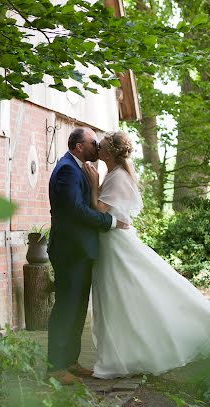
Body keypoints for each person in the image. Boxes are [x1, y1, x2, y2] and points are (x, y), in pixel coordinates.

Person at [82, 131, 210, 379]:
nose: (97, 148)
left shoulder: (117, 176)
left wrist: (92, 183)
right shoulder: (114, 173)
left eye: (101, 145)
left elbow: (98, 208)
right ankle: (123, 355)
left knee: (123, 295)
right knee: (117, 298)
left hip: (115, 246)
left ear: (109, 153)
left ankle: (179, 333)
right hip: (111, 242)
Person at [47, 127, 127, 385]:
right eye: (93, 143)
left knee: (78, 309)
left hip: (81, 251)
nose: (97, 146)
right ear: (79, 146)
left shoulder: (78, 167)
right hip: (70, 251)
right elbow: (75, 211)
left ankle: (70, 361)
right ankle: (54, 368)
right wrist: (111, 222)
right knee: (65, 309)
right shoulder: (68, 169)